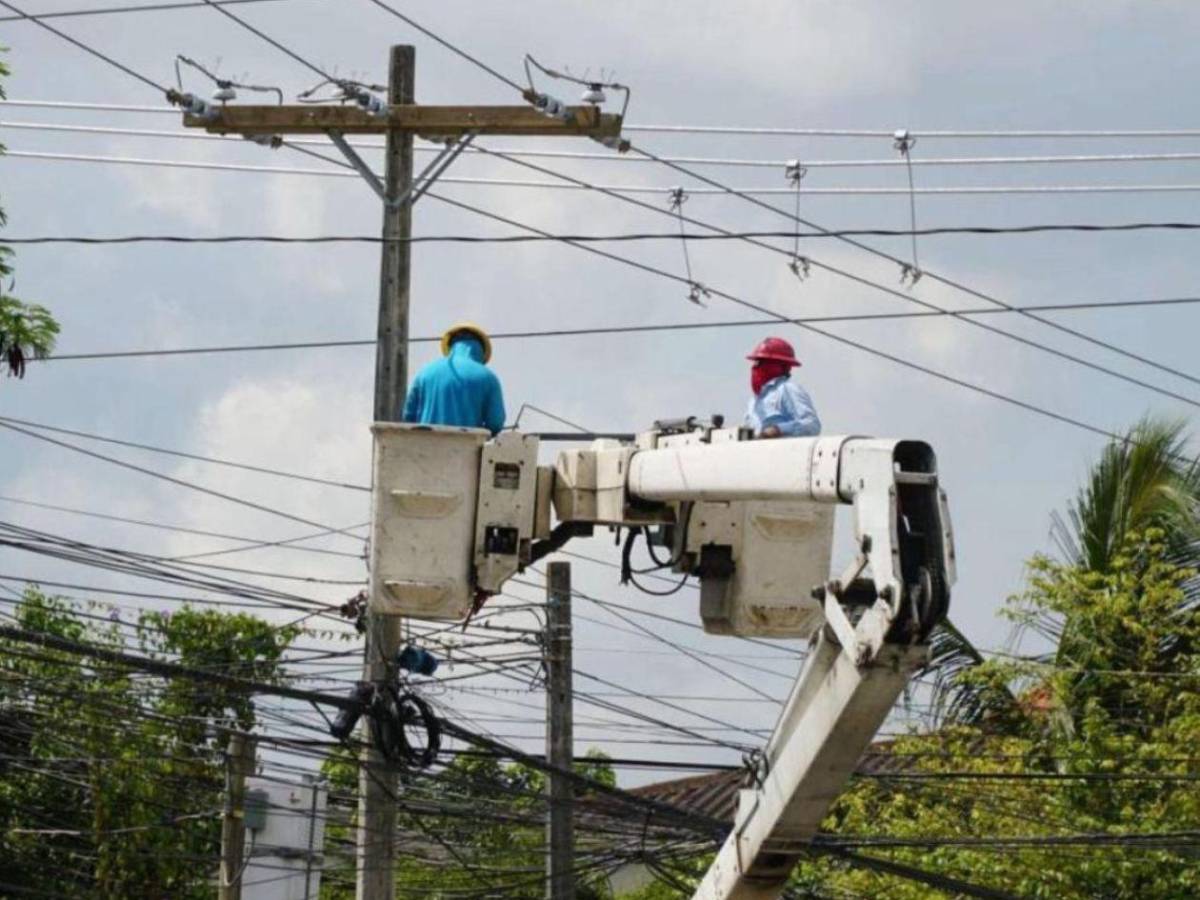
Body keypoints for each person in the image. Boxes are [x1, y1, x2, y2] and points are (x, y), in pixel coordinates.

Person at [402, 322, 506, 434]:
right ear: (480, 350)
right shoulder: (488, 378)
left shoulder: (424, 373)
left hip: (423, 446)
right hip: (466, 448)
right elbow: (495, 423)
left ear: (450, 346)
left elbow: (408, 416)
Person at [744, 336, 821, 438]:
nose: (755, 366)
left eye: (761, 361)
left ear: (782, 366)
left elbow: (812, 425)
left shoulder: (787, 389)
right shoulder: (753, 402)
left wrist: (778, 429)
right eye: (756, 361)